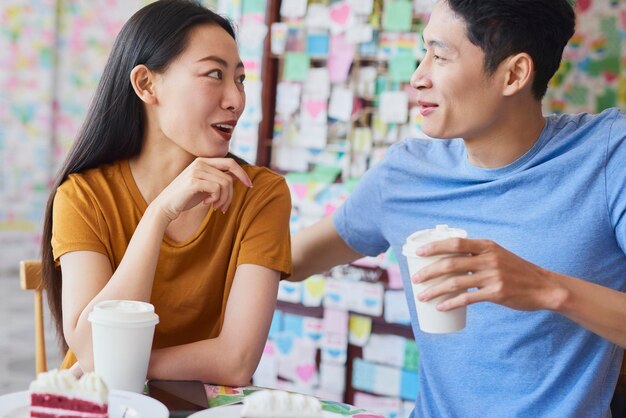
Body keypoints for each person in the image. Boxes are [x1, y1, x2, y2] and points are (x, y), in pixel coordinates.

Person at [291, 0, 626, 417]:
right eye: (423, 53)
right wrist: (185, 211)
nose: (418, 77)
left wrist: (545, 288)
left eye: (440, 55)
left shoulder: (609, 155)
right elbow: (290, 260)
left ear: (514, 74)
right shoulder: (405, 174)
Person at [40, 0, 291, 386]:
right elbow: (92, 349)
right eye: (214, 75)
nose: (236, 100)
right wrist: (158, 215)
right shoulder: (82, 195)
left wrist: (122, 364)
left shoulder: (261, 194)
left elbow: (237, 361)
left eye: (240, 79)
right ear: (146, 84)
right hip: (100, 405)